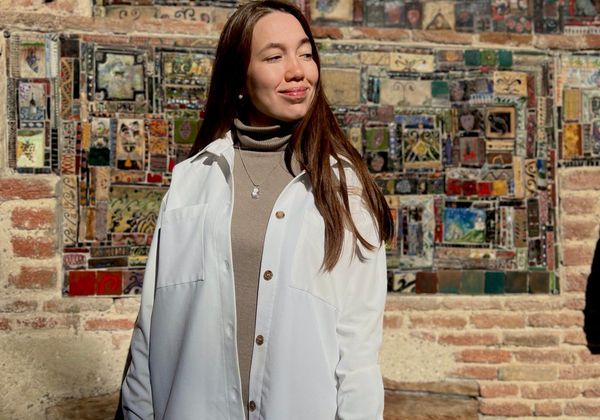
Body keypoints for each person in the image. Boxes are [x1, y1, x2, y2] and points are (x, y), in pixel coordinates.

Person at [119, 1, 393, 419]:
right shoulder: (191, 181)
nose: (298, 70)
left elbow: (358, 352)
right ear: (240, 77)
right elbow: (152, 325)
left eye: (305, 53)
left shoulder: (345, 190)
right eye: (274, 57)